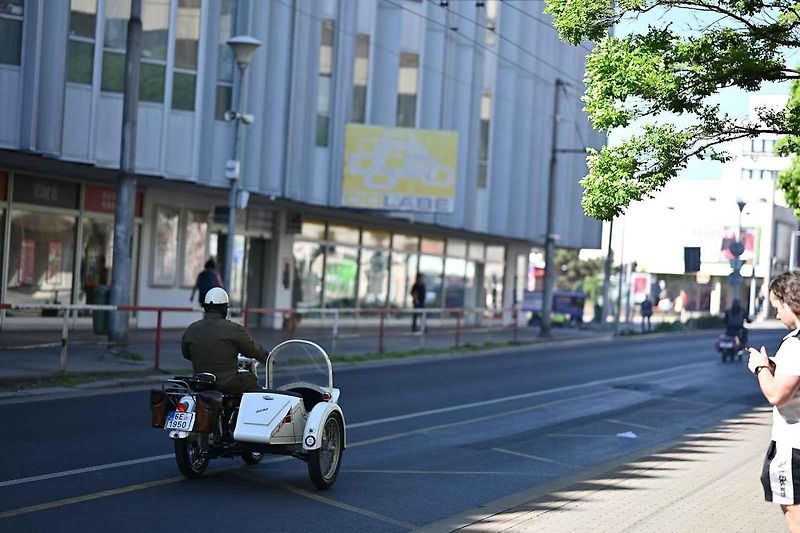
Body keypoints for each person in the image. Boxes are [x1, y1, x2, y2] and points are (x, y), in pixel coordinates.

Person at [748, 271, 800, 530]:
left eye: (778, 306)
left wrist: (761, 368)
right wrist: (776, 365)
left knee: (795, 515)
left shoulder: (796, 345)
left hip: (794, 446)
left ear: (791, 302)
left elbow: (777, 395)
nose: (777, 314)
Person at [181, 287, 267, 396]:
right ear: (224, 309)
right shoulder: (234, 329)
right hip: (228, 383)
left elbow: (186, 354)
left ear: (205, 308)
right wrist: (267, 357)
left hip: (200, 382)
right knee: (252, 382)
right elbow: (253, 350)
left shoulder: (192, 329)